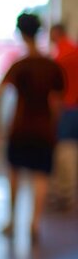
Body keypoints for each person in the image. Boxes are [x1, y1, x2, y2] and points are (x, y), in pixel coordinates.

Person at [0, 13, 64, 242]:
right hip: (43, 129)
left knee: (14, 172)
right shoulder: (52, 66)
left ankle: (12, 220)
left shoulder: (19, 65)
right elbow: (57, 102)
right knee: (41, 175)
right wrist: (53, 125)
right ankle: (34, 223)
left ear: (21, 34)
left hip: (20, 127)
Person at [49, 24, 78, 210]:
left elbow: (56, 87)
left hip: (68, 107)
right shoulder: (73, 50)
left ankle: (65, 194)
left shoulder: (62, 54)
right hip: (73, 105)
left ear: (57, 33)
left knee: (65, 150)